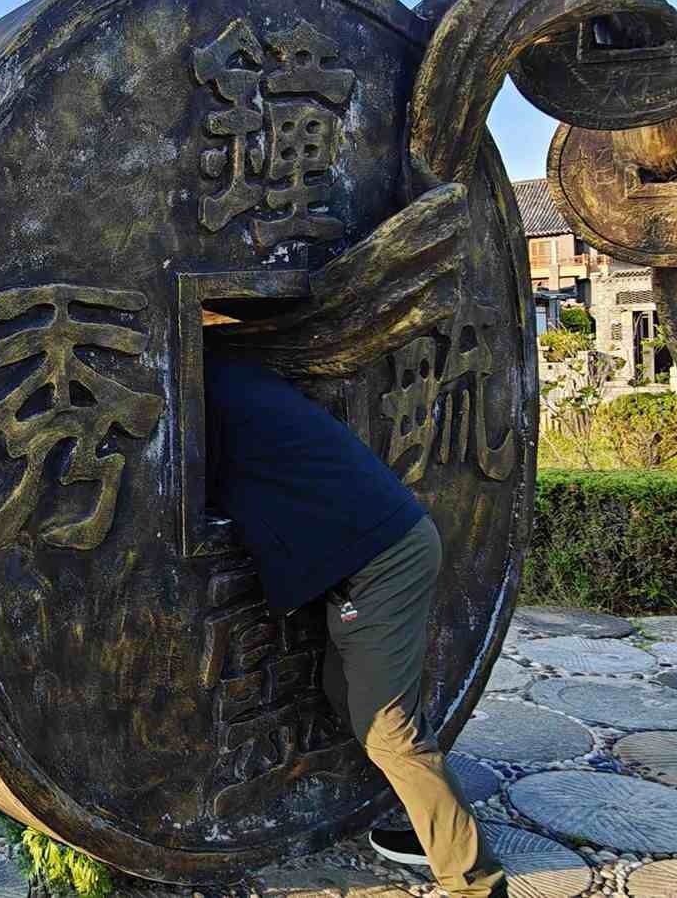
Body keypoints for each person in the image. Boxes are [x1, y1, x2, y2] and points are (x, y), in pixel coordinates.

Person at [201, 353, 506, 898]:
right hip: (376, 551)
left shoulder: (207, 392)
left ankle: (475, 883)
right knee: (343, 690)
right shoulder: (235, 376)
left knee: (390, 730)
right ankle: (430, 821)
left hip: (384, 561)